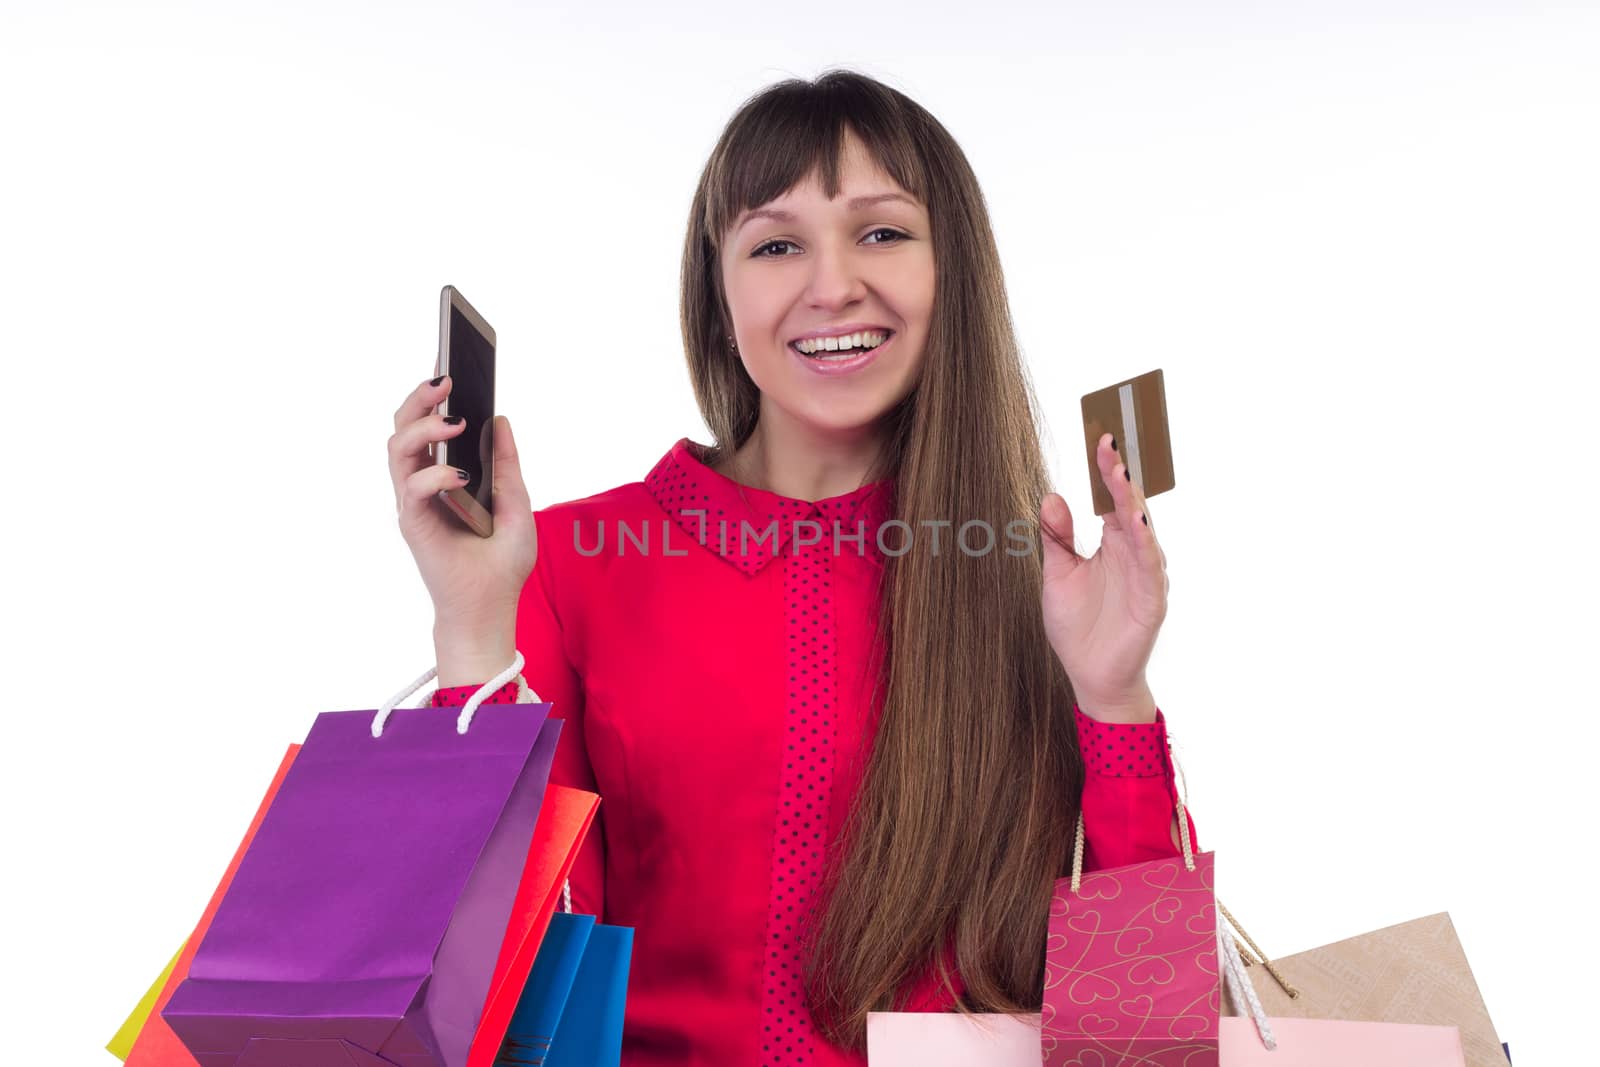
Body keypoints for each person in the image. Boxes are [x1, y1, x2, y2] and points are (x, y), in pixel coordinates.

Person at [385, 69, 1194, 1067]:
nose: (831, 284)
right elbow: (486, 1000)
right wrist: (472, 632)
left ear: (956, 278)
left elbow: (1147, 1034)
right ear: (718, 297)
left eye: (882, 232)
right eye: (776, 244)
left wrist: (1113, 699)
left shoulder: (1044, 577)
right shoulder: (566, 565)